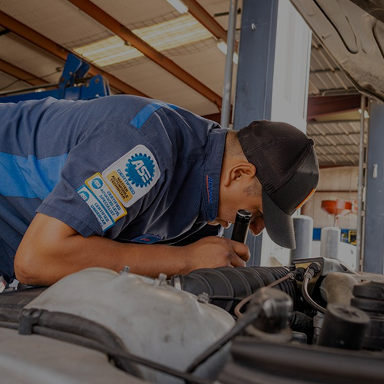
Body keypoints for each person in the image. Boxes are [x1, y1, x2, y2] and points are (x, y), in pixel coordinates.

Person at [0, 95, 319, 286]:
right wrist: (186, 260)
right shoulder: (146, 151)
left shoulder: (199, 198)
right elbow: (37, 259)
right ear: (238, 174)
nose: (258, 228)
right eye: (260, 212)